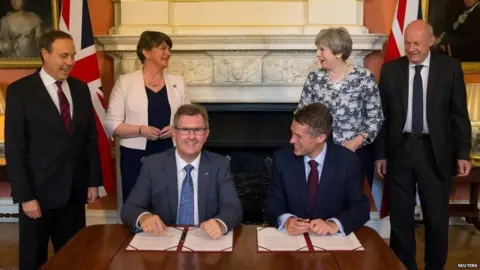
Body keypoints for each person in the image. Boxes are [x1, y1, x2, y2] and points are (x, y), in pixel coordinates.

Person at [374, 20, 471, 270]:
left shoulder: (450, 68)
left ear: (431, 41)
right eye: (407, 43)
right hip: (400, 151)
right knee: (401, 219)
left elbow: (459, 114)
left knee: (436, 219)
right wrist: (380, 154)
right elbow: (382, 118)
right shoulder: (391, 70)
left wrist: (463, 153)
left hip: (435, 152)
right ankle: (404, 265)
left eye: (417, 43)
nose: (411, 48)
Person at [5, 30, 102, 270]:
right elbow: (16, 149)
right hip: (38, 195)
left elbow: (90, 139)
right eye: (64, 56)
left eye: (73, 55)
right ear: (45, 54)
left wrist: (92, 182)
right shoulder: (20, 91)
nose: (70, 62)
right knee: (33, 259)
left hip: (74, 193)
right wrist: (26, 197)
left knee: (73, 258)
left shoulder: (80, 89)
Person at [120, 104, 242, 239]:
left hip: (204, 240)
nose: (191, 136)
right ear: (174, 133)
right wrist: (144, 217)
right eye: (184, 130)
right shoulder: (153, 165)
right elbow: (129, 208)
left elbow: (233, 208)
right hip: (164, 240)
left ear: (206, 134)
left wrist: (220, 223)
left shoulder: (220, 165)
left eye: (198, 130)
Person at [105, 31, 190, 203]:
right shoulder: (125, 82)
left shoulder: (178, 82)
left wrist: (176, 129)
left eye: (169, 49)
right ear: (146, 52)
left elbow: (189, 119)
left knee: (170, 202)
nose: (168, 53)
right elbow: (111, 124)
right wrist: (140, 130)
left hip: (170, 152)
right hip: (135, 156)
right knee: (138, 203)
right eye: (162, 48)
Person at [297, 27, 384, 190]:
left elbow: (376, 118)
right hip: (321, 153)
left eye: (322, 49)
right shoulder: (314, 78)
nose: (318, 54)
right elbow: (301, 114)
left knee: (350, 202)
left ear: (337, 52)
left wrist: (354, 143)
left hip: (355, 153)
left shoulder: (364, 78)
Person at [264, 102, 370, 236]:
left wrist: (333, 224)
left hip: (332, 243)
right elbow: (272, 203)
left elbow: (361, 208)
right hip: (292, 241)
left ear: (321, 137)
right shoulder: (282, 159)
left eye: (299, 136)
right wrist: (287, 221)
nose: (291, 140)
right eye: (292, 133)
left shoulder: (347, 161)